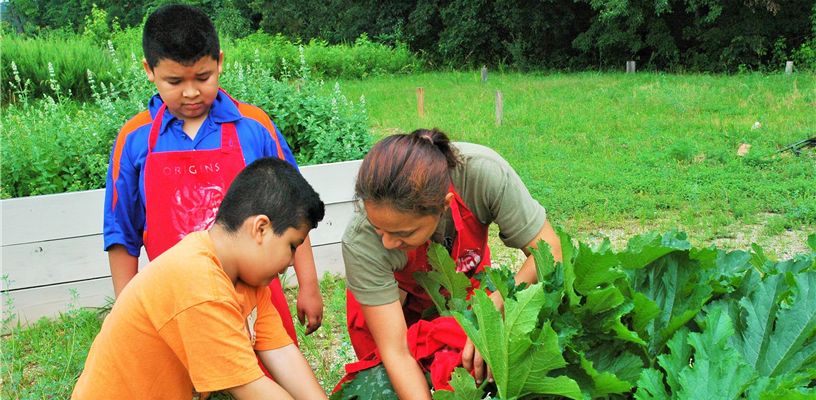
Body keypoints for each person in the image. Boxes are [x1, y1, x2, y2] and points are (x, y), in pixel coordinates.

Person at [102, 4, 323, 348]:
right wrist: (126, 312)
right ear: (149, 70)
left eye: (203, 78)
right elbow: (122, 232)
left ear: (219, 62)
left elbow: (294, 210)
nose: (191, 92)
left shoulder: (254, 127)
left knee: (272, 367)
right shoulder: (134, 139)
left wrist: (308, 284)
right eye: (174, 81)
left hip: (256, 298)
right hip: (178, 300)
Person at [73, 157, 328, 400]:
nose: (293, 261)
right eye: (292, 246)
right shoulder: (200, 283)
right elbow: (248, 387)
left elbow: (281, 353)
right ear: (260, 229)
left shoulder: (248, 280)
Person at [338, 128, 563, 399]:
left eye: (403, 233)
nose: (386, 243)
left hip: (460, 287)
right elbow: (396, 352)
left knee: (471, 368)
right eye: (379, 229)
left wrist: (497, 306)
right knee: (386, 384)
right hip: (391, 305)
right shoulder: (360, 240)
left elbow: (549, 251)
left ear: (444, 205)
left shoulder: (484, 174)